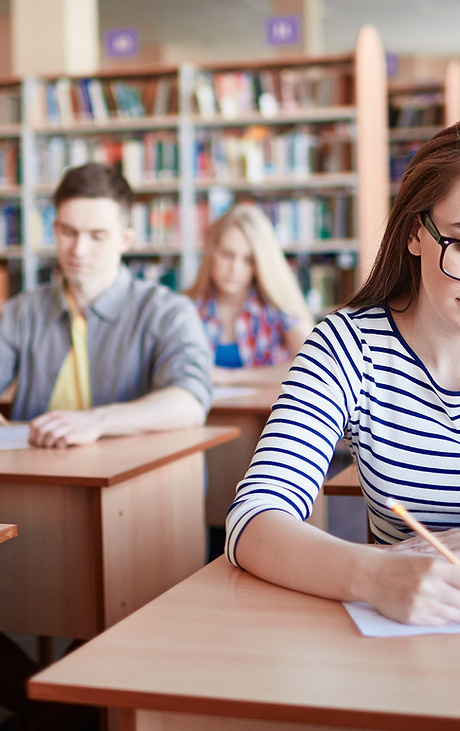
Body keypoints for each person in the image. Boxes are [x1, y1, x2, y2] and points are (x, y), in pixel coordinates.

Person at [226, 123, 460, 626]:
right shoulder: (348, 347)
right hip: (414, 638)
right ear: (417, 233)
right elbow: (254, 522)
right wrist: (374, 574)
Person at [0, 162, 212, 448]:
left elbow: (189, 402)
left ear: (125, 240)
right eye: (68, 232)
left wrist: (95, 421)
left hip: (133, 480)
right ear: (54, 228)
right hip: (35, 477)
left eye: (97, 236)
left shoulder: (168, 312)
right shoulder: (21, 312)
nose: (79, 250)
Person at [186, 203, 314, 387]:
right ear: (211, 254)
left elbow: (312, 365)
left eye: (248, 260)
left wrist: (232, 377)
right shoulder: (188, 309)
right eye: (227, 255)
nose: (235, 269)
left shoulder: (276, 308)